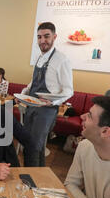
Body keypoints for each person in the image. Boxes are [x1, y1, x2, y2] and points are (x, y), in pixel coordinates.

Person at [21, 22, 73, 167]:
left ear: (54, 37)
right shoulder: (39, 57)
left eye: (46, 36)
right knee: (28, 143)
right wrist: (25, 91)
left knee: (35, 146)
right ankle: (33, 176)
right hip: (31, 105)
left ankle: (32, 179)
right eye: (39, 37)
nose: (42, 40)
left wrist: (53, 103)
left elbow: (69, 90)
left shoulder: (62, 60)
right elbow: (34, 81)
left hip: (46, 110)